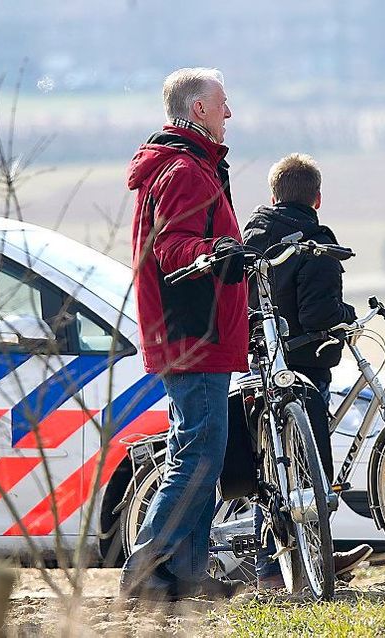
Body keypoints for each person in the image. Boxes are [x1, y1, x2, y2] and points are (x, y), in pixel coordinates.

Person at [119, 68, 249, 601]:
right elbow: (173, 248)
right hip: (193, 333)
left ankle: (184, 578)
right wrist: (212, 253)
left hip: (193, 332)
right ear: (198, 109)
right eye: (223, 103)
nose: (229, 112)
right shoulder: (184, 171)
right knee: (197, 455)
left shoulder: (188, 166)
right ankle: (146, 569)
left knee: (200, 453)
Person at [242, 153, 373, 588]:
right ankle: (310, 563)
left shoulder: (251, 236)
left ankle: (276, 568)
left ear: (273, 195)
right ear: (317, 198)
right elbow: (318, 315)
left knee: (272, 467)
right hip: (303, 366)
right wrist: (347, 315)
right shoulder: (316, 243)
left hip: (257, 364)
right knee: (311, 465)